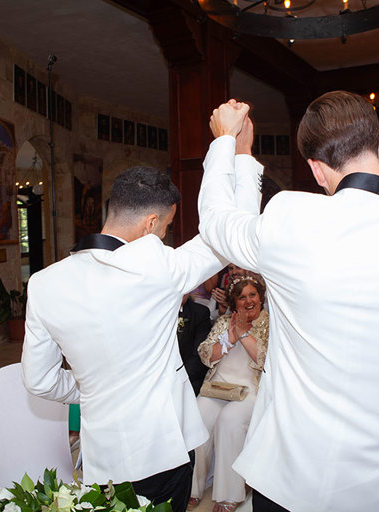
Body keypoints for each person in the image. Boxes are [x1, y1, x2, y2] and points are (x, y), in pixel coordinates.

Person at [197, 94, 379, 512]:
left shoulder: (290, 218)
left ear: (317, 171)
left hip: (285, 479)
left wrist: (230, 145)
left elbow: (215, 221)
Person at [21, 159, 261, 512]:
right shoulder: (157, 266)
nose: (164, 234)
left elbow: (38, 380)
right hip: (161, 450)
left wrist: (90, 388)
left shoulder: (44, 283)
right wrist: (238, 156)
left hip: (102, 457)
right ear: (151, 223)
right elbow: (231, 235)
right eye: (164, 226)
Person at [189, 276, 269, 512]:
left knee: (230, 421)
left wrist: (244, 334)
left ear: (261, 297)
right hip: (218, 387)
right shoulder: (224, 322)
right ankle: (194, 487)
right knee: (198, 417)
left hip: (249, 390)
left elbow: (266, 361)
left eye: (252, 295)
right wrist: (231, 336)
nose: (248, 301)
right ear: (234, 302)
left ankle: (230, 493)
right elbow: (205, 354)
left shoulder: (271, 324)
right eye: (242, 297)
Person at [178, 294, 212, 395]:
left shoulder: (199, 313)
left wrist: (177, 379)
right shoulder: (153, 312)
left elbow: (198, 356)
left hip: (186, 379)